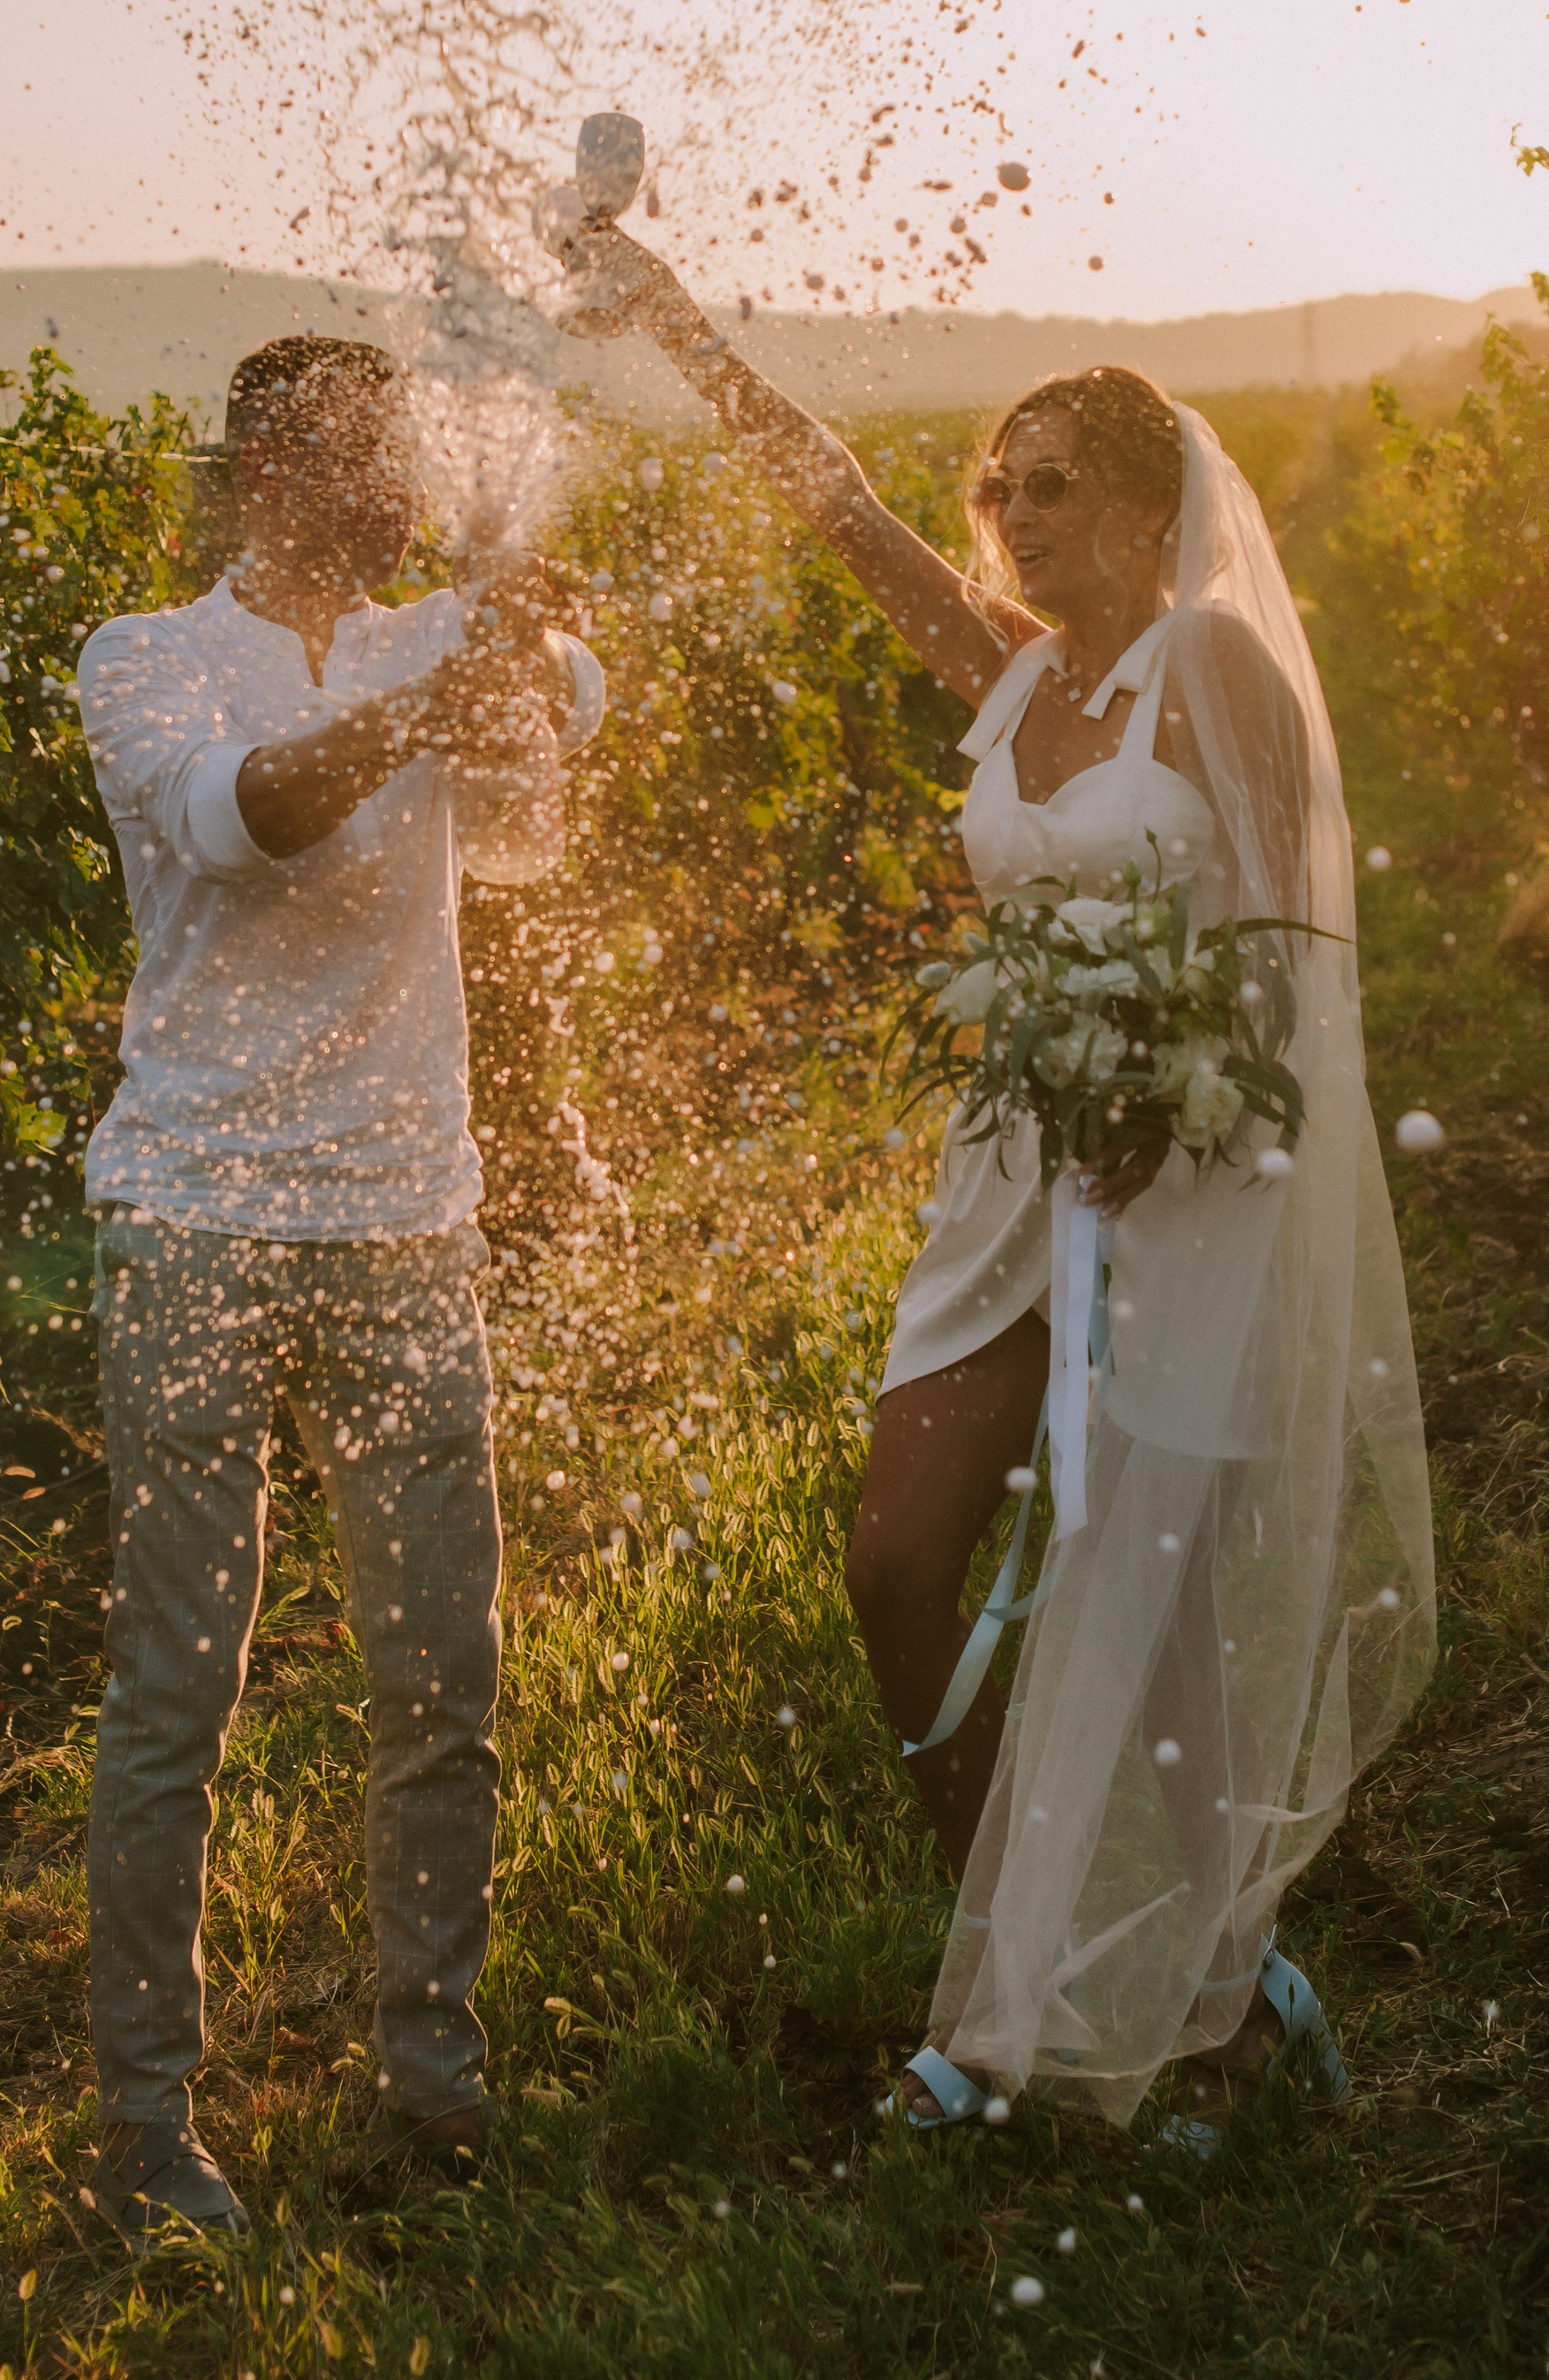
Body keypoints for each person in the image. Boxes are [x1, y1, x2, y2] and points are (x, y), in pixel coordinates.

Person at [554, 220, 1434, 2140]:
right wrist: (673, 327)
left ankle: (1199, 2003)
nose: (1012, 517)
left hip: (1188, 1172)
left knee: (1168, 1622)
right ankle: (1010, 1948)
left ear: (1145, 502)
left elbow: (1301, 950)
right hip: (1005, 1170)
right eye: (999, 487)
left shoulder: (1209, 668)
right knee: (896, 1566)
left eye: (1051, 488)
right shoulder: (1015, 677)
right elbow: (841, 512)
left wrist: (1180, 1092)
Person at [73, 334, 604, 2234]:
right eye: (344, 441)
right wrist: (429, 693)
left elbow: (551, 774)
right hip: (200, 1225)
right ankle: (146, 2124)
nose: (383, 469)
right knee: (177, 1691)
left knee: (438, 1676)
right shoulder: (138, 657)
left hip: (405, 1228)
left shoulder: (448, 633)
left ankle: (432, 2072)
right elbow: (249, 817)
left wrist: (517, 648)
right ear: (255, 466)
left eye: (395, 440)